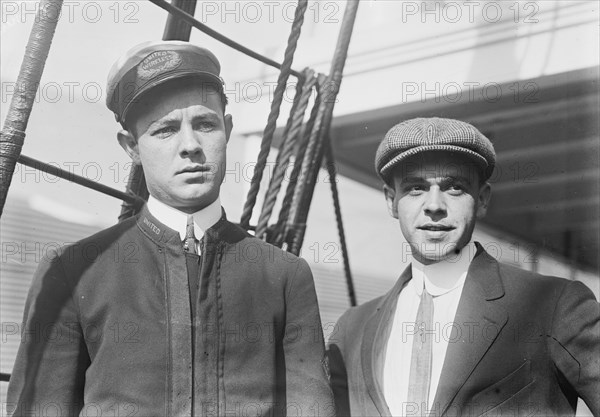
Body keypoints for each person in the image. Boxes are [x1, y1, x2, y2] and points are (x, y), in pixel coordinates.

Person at [7, 40, 334, 417]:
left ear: (227, 129)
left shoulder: (284, 276)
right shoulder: (73, 272)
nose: (191, 146)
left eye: (205, 124)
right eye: (165, 130)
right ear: (131, 147)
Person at [328, 117, 599, 416]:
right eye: (415, 188)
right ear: (391, 201)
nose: (434, 205)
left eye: (454, 187)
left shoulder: (556, 306)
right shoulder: (351, 330)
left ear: (481, 200)